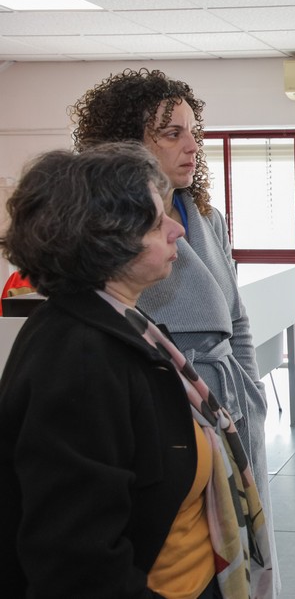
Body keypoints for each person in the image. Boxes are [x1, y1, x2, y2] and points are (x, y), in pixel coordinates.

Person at [0, 144, 271, 598]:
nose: (178, 231)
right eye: (155, 221)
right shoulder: (78, 358)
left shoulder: (122, 324)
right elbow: (77, 565)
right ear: (106, 240)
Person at [69, 68, 277, 590]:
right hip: (168, 398)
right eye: (171, 133)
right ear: (125, 142)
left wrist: (249, 391)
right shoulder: (114, 228)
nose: (191, 146)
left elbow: (237, 318)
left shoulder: (206, 215)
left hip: (226, 391)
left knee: (245, 538)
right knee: (187, 541)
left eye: (193, 132)